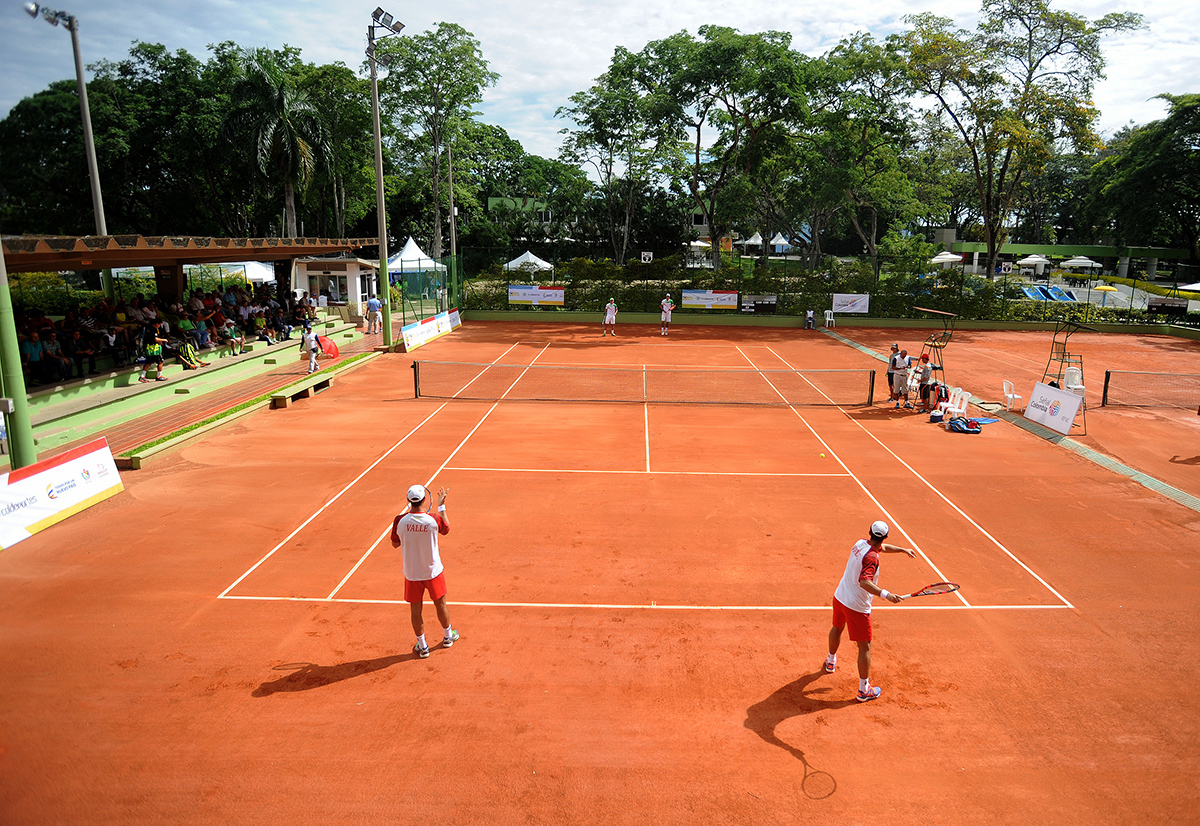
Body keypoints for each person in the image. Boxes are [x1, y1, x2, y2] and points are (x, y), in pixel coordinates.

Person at [824, 520, 916, 702]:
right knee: (865, 647)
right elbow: (864, 582)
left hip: (840, 596)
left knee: (836, 628)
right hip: (857, 606)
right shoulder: (872, 558)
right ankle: (863, 690)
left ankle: (830, 661)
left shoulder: (860, 544)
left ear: (870, 533)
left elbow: (881, 547)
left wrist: (902, 550)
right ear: (885, 537)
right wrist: (886, 594)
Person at [391, 484, 459, 658]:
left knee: (415, 609)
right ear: (424, 500)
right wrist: (441, 506)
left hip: (412, 574)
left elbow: (395, 543)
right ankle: (448, 636)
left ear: (408, 501)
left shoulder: (400, 521)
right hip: (433, 572)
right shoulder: (433, 519)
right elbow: (447, 529)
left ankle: (422, 646)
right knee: (441, 604)